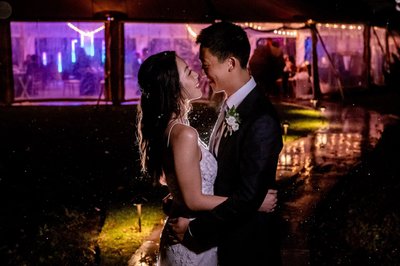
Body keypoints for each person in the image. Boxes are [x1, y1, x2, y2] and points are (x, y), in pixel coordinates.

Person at [136, 51, 278, 265]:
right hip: (191, 243)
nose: (196, 75)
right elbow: (194, 200)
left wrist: (177, 197)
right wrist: (253, 203)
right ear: (173, 85)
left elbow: (184, 185)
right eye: (187, 71)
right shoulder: (184, 134)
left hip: (199, 236)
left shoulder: (171, 129)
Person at [171, 22, 283, 265]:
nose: (203, 73)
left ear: (231, 63)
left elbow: (248, 198)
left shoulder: (260, 118)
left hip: (246, 246)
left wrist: (193, 230)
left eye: (207, 66)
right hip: (223, 238)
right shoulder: (229, 104)